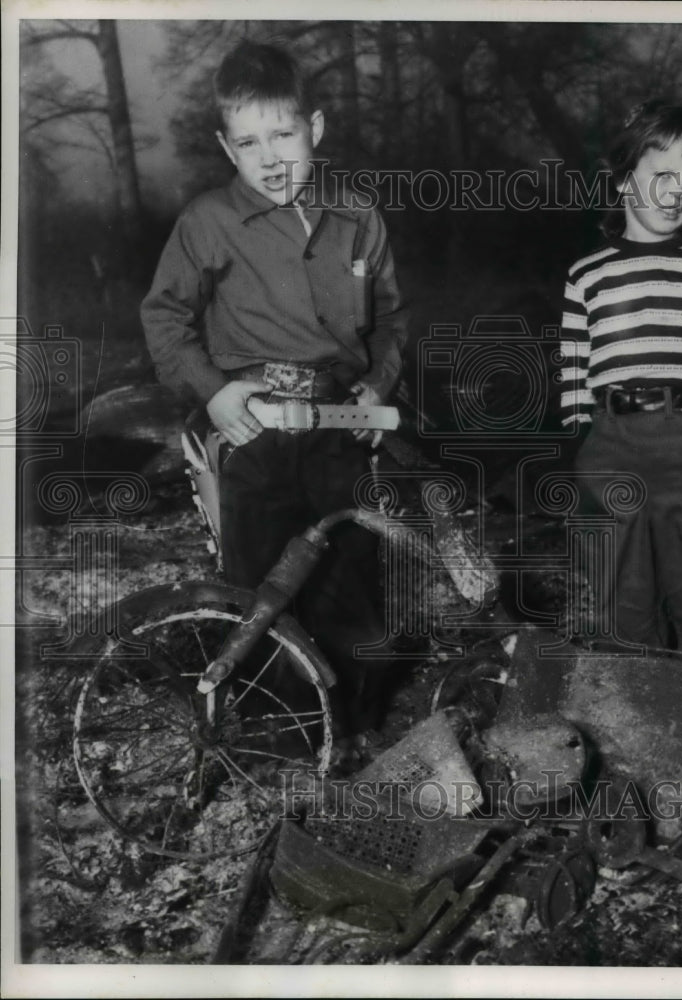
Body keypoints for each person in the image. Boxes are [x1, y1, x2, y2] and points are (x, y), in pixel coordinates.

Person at [141, 40, 408, 733]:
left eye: (283, 134)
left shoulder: (358, 216)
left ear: (313, 129)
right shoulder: (208, 222)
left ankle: (355, 732)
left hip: (336, 428)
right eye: (249, 142)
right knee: (260, 586)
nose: (269, 157)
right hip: (254, 427)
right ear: (228, 150)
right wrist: (215, 394)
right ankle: (274, 738)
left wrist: (377, 391)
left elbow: (391, 322)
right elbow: (164, 316)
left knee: (350, 576)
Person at [558, 99, 682, 665]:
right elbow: (573, 363)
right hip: (613, 442)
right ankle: (631, 730)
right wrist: (581, 438)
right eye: (661, 175)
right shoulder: (587, 274)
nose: (676, 192)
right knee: (621, 600)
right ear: (623, 181)